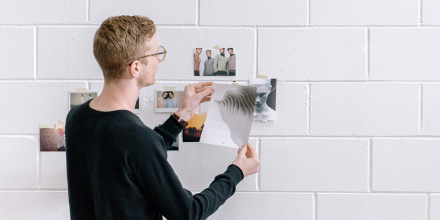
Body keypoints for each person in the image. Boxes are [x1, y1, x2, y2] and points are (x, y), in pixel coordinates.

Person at [65, 15, 259, 220]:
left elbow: (135, 156)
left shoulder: (76, 117)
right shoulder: (136, 138)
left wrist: (182, 114)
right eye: (156, 53)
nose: (159, 59)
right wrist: (237, 172)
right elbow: (189, 212)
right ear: (136, 68)